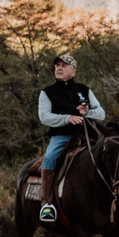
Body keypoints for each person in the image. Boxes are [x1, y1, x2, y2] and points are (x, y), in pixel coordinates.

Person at [36, 53, 109, 223]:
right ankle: (46, 204)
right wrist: (67, 118)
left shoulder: (84, 90)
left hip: (88, 136)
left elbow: (101, 114)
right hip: (61, 136)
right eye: (57, 65)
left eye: (64, 65)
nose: (59, 68)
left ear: (73, 71)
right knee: (49, 159)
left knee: (111, 154)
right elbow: (44, 117)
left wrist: (87, 112)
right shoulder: (47, 92)